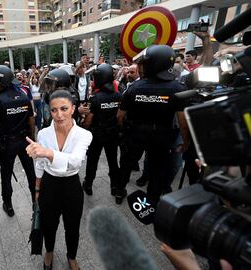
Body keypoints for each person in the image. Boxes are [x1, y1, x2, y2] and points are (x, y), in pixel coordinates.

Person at [26, 90, 92, 270]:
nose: (59, 114)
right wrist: (37, 189)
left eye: (64, 108)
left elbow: (75, 161)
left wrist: (46, 152)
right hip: (49, 184)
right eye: (54, 110)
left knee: (72, 227)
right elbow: (39, 164)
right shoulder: (44, 134)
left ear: (73, 109)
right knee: (49, 224)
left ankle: (72, 256)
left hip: (71, 185)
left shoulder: (84, 135)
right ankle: (49, 251)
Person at [116, 45, 190, 205]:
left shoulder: (134, 88)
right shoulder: (178, 88)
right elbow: (183, 122)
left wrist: (123, 131)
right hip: (162, 137)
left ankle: (120, 191)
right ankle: (152, 201)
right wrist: (186, 142)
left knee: (127, 165)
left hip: (135, 134)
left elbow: (120, 116)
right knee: (157, 170)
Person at [0, 65, 36, 217]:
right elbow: (31, 120)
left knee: (6, 175)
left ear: (0, 82)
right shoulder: (23, 96)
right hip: (24, 140)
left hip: (7, 144)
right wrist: (31, 138)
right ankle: (36, 201)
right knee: (30, 173)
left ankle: (8, 205)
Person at [82, 64, 122, 196]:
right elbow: (120, 116)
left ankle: (88, 185)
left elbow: (88, 120)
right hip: (112, 133)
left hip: (97, 134)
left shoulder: (95, 98)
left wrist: (84, 128)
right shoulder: (118, 95)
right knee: (113, 161)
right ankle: (114, 187)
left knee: (92, 161)